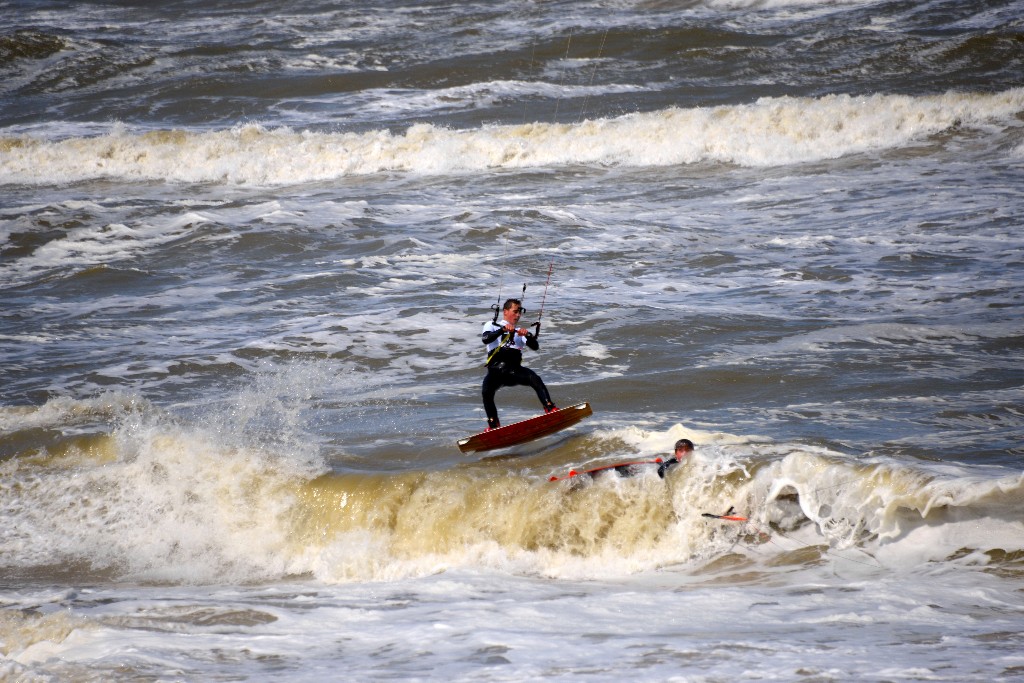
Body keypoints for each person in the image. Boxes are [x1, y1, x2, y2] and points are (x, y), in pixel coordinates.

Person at [481, 298, 557, 431]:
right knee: (486, 392)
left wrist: (527, 335)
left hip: (514, 371)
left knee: (534, 379)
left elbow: (535, 346)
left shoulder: (519, 333)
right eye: (515, 312)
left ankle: (550, 408)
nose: (518, 315)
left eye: (519, 312)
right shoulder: (492, 325)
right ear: (505, 311)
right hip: (495, 372)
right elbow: (486, 339)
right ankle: (493, 424)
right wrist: (502, 330)